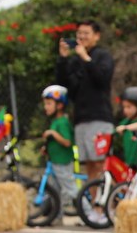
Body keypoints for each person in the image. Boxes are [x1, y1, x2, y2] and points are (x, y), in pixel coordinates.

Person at [55, 20, 115, 184]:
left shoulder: (103, 56)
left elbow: (102, 79)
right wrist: (63, 59)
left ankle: (107, 196)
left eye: (86, 33)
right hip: (81, 118)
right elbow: (63, 85)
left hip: (99, 117)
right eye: (79, 33)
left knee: (100, 162)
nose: (82, 37)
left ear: (96, 36)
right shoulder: (75, 61)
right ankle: (94, 197)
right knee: (89, 165)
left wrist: (86, 58)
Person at [40, 84, 75, 221]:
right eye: (45, 104)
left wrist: (53, 134)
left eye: (49, 104)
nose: (46, 107)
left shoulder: (62, 122)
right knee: (55, 191)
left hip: (62, 161)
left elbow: (67, 142)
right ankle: (56, 215)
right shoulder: (54, 122)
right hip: (54, 161)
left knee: (70, 189)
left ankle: (87, 212)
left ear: (59, 105)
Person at [114, 86, 137, 170]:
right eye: (124, 107)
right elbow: (116, 129)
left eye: (129, 107)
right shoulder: (127, 121)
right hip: (130, 161)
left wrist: (126, 127)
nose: (125, 110)